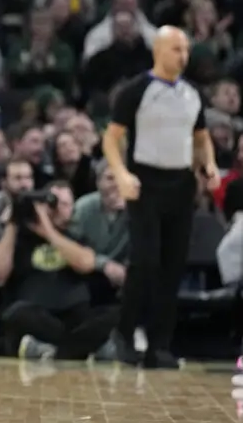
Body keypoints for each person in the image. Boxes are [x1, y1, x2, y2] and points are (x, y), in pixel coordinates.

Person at [102, 25, 218, 368]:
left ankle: (159, 345)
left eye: (185, 50)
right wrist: (121, 174)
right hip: (145, 182)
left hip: (180, 184)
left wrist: (208, 165)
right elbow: (111, 138)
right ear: (158, 50)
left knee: (173, 265)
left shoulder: (192, 94)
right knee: (145, 260)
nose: (182, 57)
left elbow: (201, 137)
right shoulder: (136, 90)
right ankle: (123, 335)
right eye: (175, 50)